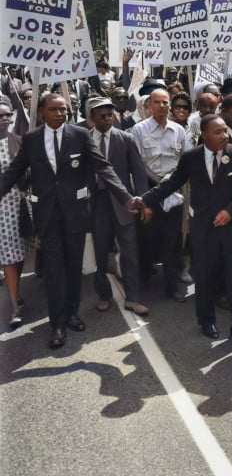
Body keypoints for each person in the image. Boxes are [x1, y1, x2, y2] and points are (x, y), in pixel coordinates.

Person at [0, 93, 133, 348]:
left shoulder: (80, 136)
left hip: (75, 214)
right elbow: (14, 172)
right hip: (47, 216)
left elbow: (103, 167)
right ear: (41, 111)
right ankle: (57, 324)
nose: (61, 114)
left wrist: (126, 196)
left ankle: (71, 312)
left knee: (74, 267)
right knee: (53, 270)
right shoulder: (31, 140)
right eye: (55, 109)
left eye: (64, 110)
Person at [132, 115, 232, 345]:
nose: (224, 136)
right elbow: (172, 183)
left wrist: (230, 210)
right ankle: (206, 322)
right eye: (217, 132)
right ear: (204, 134)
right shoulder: (191, 158)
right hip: (203, 229)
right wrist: (145, 199)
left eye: (225, 131)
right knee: (205, 277)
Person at [87, 97, 150, 316]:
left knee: (130, 251)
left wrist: (142, 201)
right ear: (91, 117)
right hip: (97, 203)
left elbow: (138, 173)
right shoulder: (84, 140)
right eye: (102, 116)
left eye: (110, 115)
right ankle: (104, 295)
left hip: (124, 203)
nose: (107, 119)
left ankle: (133, 298)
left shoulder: (125, 138)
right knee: (101, 252)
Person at [130, 87, 188, 302]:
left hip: (174, 192)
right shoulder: (138, 130)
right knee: (147, 238)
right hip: (149, 192)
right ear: (149, 106)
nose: (162, 106)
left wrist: (171, 184)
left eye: (165, 103)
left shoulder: (178, 130)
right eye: (157, 102)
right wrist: (157, 186)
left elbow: (183, 161)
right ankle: (143, 280)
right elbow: (137, 163)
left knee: (172, 242)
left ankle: (171, 287)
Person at [0, 96, 29, 330]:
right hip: (2, 210)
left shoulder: (19, 140)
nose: (4, 119)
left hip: (21, 205)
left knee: (20, 257)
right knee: (9, 258)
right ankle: (14, 307)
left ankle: (15, 289)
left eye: (7, 115)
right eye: (0, 116)